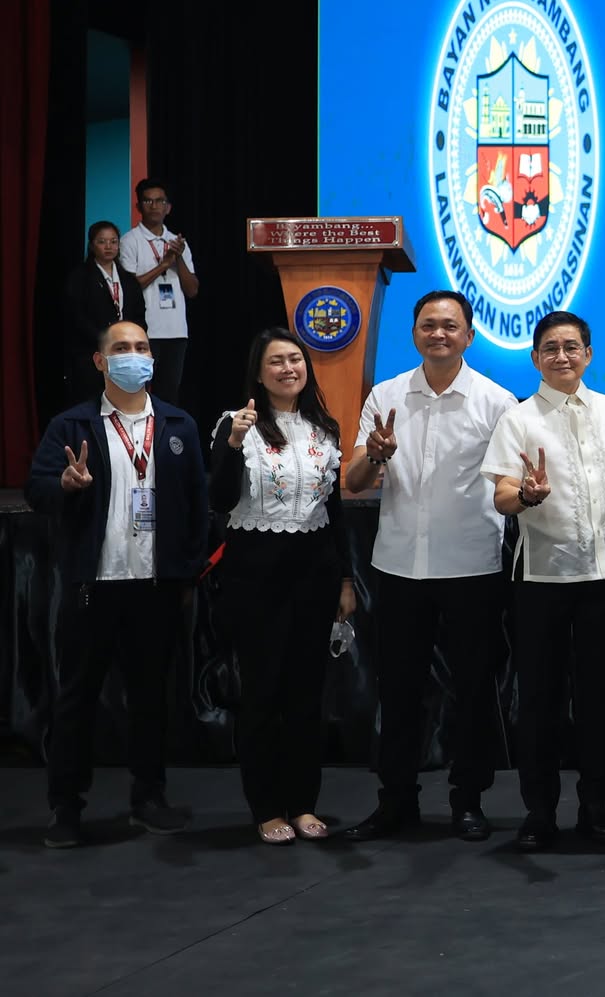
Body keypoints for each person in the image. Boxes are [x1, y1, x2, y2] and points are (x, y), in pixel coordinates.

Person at [341, 290, 519, 844]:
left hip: (472, 564)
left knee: (472, 690)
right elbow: (354, 482)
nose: (438, 333)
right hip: (399, 565)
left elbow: (509, 486)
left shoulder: (497, 401)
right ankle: (396, 801)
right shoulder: (386, 394)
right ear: (414, 332)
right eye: (427, 325)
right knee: (398, 692)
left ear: (469, 335)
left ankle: (468, 801)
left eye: (449, 325)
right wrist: (376, 454)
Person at [27, 320, 208, 848]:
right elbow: (37, 489)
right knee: (76, 700)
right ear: (100, 361)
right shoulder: (71, 425)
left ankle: (149, 797)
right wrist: (64, 484)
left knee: (151, 699)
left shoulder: (178, 424)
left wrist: (186, 571)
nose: (135, 355)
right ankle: (66, 806)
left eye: (142, 347)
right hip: (94, 585)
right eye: (122, 348)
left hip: (154, 587)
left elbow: (196, 504)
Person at [481, 311, 605, 852]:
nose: (562, 356)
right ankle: (539, 813)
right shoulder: (518, 418)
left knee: (600, 697)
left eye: (572, 347)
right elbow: (501, 496)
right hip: (542, 580)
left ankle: (596, 807)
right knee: (540, 700)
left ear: (589, 354)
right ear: (535, 358)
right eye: (551, 348)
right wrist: (526, 495)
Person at [210, 328, 353, 844]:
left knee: (306, 697)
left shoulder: (324, 428)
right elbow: (219, 500)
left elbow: (334, 512)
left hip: (314, 577)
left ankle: (303, 803)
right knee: (262, 694)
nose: (288, 368)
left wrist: (345, 578)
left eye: (295, 359)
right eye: (276, 361)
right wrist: (232, 443)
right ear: (258, 371)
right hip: (255, 579)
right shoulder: (236, 424)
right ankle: (267, 807)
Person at [118, 178, 198, 405]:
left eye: (160, 201)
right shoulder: (130, 241)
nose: (154, 206)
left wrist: (177, 258)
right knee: (137, 394)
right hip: (144, 331)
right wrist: (163, 265)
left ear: (168, 207)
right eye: (148, 201)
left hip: (176, 331)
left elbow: (192, 290)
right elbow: (130, 288)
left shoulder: (177, 242)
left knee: (169, 396)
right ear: (139, 206)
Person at [63, 221, 146, 403]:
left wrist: (130, 341)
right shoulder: (80, 277)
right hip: (91, 353)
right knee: (93, 403)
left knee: (123, 402)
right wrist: (104, 339)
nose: (108, 246)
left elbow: (139, 314)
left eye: (113, 241)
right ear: (92, 245)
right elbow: (77, 317)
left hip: (125, 355)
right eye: (102, 241)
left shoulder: (128, 279)